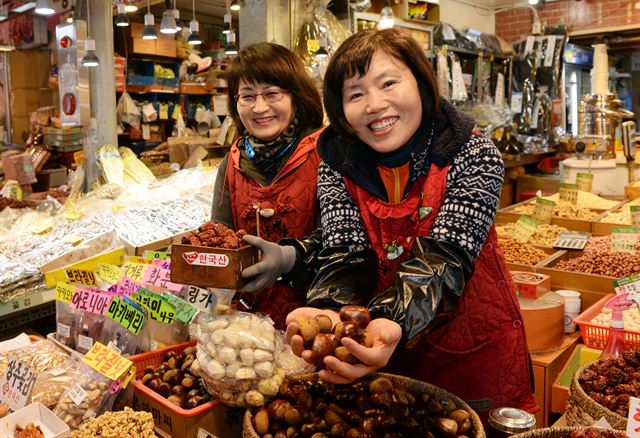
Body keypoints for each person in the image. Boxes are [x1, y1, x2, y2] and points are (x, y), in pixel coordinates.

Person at [244, 28, 538, 419]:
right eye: (355, 94)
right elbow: (345, 251)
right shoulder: (338, 161)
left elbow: (444, 259)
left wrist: (392, 321)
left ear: (420, 81)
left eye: (388, 83)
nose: (374, 105)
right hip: (382, 355)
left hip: (470, 354)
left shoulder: (472, 151)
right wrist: (330, 314)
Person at [211, 42, 324, 329]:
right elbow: (221, 239)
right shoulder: (231, 164)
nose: (260, 108)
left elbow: (347, 244)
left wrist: (288, 259)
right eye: (247, 96)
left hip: (318, 322)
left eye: (272, 93)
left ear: (296, 96)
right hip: (250, 331)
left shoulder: (327, 152)